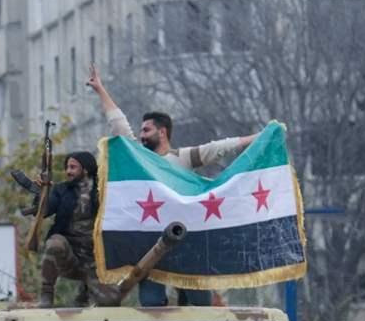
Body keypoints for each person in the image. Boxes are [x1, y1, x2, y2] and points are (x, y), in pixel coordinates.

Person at [87, 63, 257, 307]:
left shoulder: (182, 158)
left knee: (201, 306)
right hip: (150, 247)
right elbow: (118, 125)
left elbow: (218, 148)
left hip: (188, 243)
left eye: (147, 130)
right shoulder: (140, 160)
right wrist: (101, 90)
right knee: (152, 305)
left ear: (162, 132)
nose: (142, 135)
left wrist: (258, 138)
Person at [37, 150, 106, 307]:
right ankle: (47, 293)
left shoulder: (102, 191)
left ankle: (86, 291)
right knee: (55, 243)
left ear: (86, 169)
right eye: (67, 167)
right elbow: (44, 211)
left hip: (96, 259)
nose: (68, 171)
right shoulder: (62, 190)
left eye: (73, 167)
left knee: (109, 301)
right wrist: (43, 192)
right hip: (70, 256)